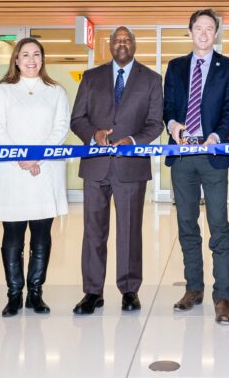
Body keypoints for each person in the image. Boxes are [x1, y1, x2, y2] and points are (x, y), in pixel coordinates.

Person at [70, 26, 164, 315]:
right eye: (117, 40)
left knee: (129, 232)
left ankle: (129, 290)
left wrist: (133, 141)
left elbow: (155, 123)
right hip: (96, 166)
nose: (122, 44)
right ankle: (92, 291)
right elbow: (77, 118)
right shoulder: (90, 77)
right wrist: (93, 134)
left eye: (127, 39)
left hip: (130, 167)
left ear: (134, 45)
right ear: (109, 45)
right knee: (93, 232)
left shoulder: (151, 79)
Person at [163, 8, 229, 324]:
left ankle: (222, 296)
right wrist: (172, 125)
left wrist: (217, 134)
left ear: (216, 33)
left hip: (213, 155)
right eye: (199, 27)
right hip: (182, 157)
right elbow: (167, 104)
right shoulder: (176, 66)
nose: (204, 33)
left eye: (210, 28)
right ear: (190, 31)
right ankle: (193, 288)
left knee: (219, 227)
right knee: (186, 225)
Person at [0, 37, 70, 317]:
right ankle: (13, 294)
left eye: (36, 55)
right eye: (25, 55)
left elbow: (60, 128)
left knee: (42, 233)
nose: (31, 60)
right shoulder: (4, 91)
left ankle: (35, 292)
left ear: (42, 59)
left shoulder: (56, 91)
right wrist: (19, 156)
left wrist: (38, 157)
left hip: (46, 170)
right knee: (13, 234)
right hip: (11, 170)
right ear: (16, 60)